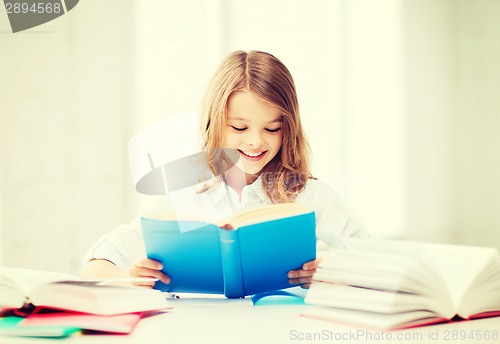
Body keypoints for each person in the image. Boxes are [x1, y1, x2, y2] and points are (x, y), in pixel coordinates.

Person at [81, 50, 368, 289]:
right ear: (214, 124)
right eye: (239, 127)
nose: (256, 141)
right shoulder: (185, 193)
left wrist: (332, 273)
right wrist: (130, 281)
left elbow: (373, 263)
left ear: (288, 130)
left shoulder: (310, 196)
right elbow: (97, 265)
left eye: (272, 128)